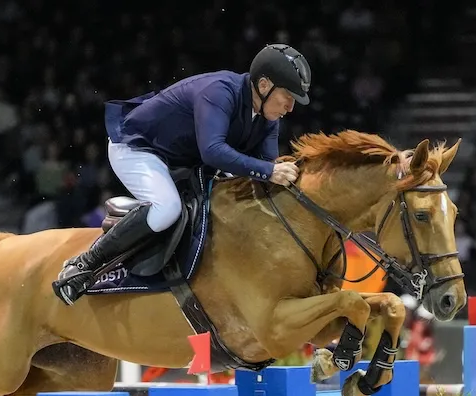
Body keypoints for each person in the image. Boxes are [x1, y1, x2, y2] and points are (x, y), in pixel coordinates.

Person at [53, 44, 311, 305]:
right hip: (138, 148)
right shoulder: (219, 91)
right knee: (167, 208)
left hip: (183, 161)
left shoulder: (268, 118)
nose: (290, 107)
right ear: (264, 85)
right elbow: (214, 152)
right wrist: (269, 171)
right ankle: (83, 266)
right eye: (288, 96)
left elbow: (265, 168)